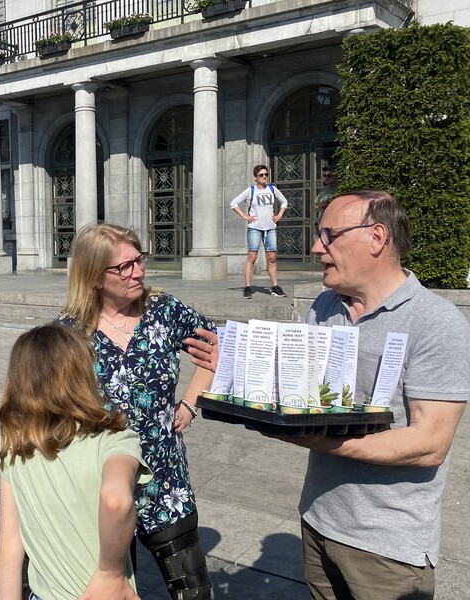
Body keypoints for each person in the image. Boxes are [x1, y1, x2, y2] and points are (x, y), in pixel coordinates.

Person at [187, 190, 470, 600]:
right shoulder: (324, 306)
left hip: (387, 547)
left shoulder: (436, 322)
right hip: (318, 521)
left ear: (376, 237)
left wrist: (313, 439)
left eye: (329, 235)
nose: (316, 248)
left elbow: (430, 444)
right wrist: (238, 365)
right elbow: (302, 390)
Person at [58, 223, 217, 600]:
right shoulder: (68, 334)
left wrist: (190, 403)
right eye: (125, 266)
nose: (139, 271)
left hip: (166, 480)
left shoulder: (163, 310)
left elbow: (215, 346)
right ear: (95, 277)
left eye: (139, 260)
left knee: (194, 592)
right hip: (101, 488)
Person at [0, 323, 152, 600]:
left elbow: (9, 548)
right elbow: (116, 500)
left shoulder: (13, 443)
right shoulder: (114, 441)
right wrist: (110, 573)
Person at [230, 164, 288, 299]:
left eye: (266, 174)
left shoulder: (272, 189)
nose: (264, 177)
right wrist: (245, 216)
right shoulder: (251, 190)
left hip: (270, 228)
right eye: (261, 175)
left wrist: (279, 215)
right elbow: (234, 203)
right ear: (255, 177)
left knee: (272, 258)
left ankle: (275, 286)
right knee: (252, 257)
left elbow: (284, 202)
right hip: (255, 228)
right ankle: (247, 287)